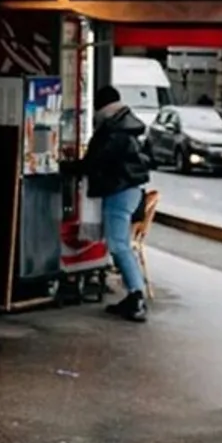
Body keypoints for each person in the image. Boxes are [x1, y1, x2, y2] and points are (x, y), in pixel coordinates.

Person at [77, 83, 152, 322]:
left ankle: (136, 296)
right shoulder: (126, 124)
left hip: (119, 190)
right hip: (130, 189)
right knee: (119, 243)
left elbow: (94, 161)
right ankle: (133, 295)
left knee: (119, 244)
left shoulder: (112, 130)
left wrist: (68, 167)